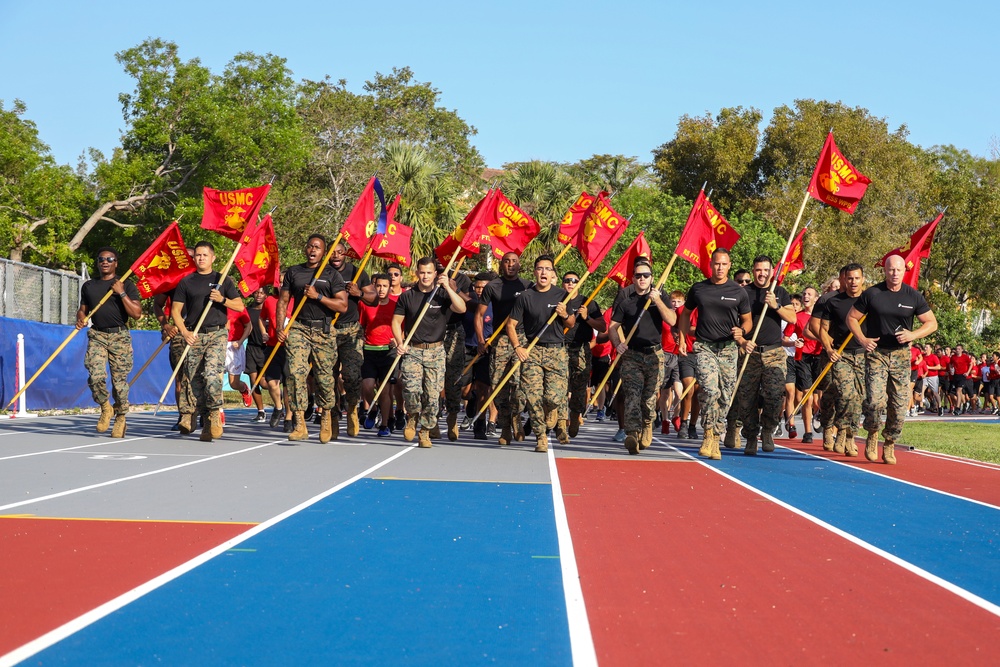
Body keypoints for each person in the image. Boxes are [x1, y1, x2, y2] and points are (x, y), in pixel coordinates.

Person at [847, 254, 938, 464]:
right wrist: (862, 339)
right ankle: (872, 434)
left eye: (898, 270)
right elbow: (851, 317)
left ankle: (889, 443)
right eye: (890, 270)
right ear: (885, 271)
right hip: (876, 353)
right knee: (874, 400)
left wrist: (912, 335)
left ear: (904, 271)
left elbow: (931, 323)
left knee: (898, 405)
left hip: (900, 355)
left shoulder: (913, 296)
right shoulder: (872, 294)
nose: (894, 274)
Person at [679, 248, 752, 460]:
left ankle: (716, 436)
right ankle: (708, 433)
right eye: (716, 264)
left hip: (728, 349)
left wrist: (743, 331)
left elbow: (747, 320)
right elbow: (685, 314)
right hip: (704, 347)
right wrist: (683, 338)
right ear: (710, 265)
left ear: (729, 266)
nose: (720, 268)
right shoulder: (699, 289)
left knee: (725, 395)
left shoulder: (739, 292)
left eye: (724, 264)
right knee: (710, 390)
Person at [276, 235, 348, 443]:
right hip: (298, 328)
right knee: (295, 374)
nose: (313, 250)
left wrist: (318, 296)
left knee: (324, 378)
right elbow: (283, 301)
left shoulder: (331, 275)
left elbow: (342, 306)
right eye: (310, 246)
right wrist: (281, 327)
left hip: (323, 330)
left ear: (324, 252)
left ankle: (326, 415)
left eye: (317, 247)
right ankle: (299, 423)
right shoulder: (294, 272)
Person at [171, 241, 245, 442]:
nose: (201, 258)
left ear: (213, 258)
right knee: (194, 381)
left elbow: (239, 306)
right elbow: (175, 311)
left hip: (217, 334)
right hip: (195, 334)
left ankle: (214, 414)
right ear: (194, 258)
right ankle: (200, 419)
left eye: (205, 255)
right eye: (198, 255)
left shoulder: (223, 280)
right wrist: (185, 332)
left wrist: (222, 299)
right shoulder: (186, 282)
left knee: (212, 377)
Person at [392, 256, 467, 448]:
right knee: (411, 390)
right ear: (417, 273)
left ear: (435, 274)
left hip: (435, 351)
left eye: (429, 273)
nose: (425, 276)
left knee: (433, 397)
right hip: (413, 350)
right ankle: (413, 416)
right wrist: (400, 343)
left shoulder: (441, 295)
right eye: (422, 272)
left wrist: (448, 287)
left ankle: (425, 432)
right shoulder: (407, 296)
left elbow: (462, 308)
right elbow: (396, 321)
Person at [726, 255, 796, 455]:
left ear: (772, 271)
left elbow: (793, 318)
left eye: (766, 270)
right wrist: (740, 339)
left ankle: (767, 431)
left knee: (775, 396)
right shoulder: (743, 293)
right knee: (747, 399)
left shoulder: (779, 292)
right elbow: (733, 320)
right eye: (758, 270)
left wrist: (776, 305)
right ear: (753, 271)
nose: (762, 273)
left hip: (773, 352)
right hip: (749, 353)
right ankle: (750, 436)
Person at [508, 255, 577, 452]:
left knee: (554, 397)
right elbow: (511, 325)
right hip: (533, 351)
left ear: (553, 273)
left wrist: (564, 314)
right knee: (532, 397)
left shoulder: (562, 295)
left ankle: (553, 410)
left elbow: (571, 324)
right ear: (535, 272)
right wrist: (517, 347)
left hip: (556, 351)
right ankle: (541, 437)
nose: (543, 272)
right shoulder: (525, 297)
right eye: (540, 269)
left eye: (547, 269)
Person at [610, 258, 676, 455]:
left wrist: (657, 300)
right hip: (632, 355)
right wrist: (617, 343)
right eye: (638, 276)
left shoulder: (659, 298)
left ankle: (647, 423)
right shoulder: (626, 302)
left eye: (645, 276)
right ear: (633, 278)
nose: (642, 279)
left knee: (648, 399)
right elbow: (613, 326)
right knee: (632, 395)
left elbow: (672, 320)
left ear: (651, 278)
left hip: (654, 354)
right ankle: (632, 433)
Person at [76, 247, 142, 437]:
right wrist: (81, 317)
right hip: (97, 334)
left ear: (116, 263)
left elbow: (137, 314)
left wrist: (121, 293)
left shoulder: (125, 284)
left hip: (119, 336)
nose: (105, 262)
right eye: (101, 259)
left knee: (119, 383)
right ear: (97, 262)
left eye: (109, 259)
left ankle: (121, 416)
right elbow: (83, 309)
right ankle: (106, 407)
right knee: (95, 375)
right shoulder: (89, 286)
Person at [477, 252, 532, 446]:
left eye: (514, 262)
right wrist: (480, 340)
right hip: (500, 340)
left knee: (519, 384)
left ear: (519, 265)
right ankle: (505, 426)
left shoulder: (527, 286)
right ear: (502, 265)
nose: (510, 265)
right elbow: (479, 315)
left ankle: (516, 418)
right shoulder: (493, 286)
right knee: (498, 384)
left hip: (522, 338)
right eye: (507, 261)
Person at [815, 263, 866, 456]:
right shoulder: (832, 301)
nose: (853, 282)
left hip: (862, 355)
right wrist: (828, 349)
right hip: (840, 354)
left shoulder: (869, 300)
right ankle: (834, 428)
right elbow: (822, 329)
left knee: (858, 398)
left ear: (863, 279)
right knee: (843, 394)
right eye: (849, 278)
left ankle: (850, 435)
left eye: (856, 278)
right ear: (844, 279)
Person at [330, 242, 376, 436]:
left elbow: (373, 298)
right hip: (327, 330)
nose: (336, 256)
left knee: (352, 376)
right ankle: (331, 416)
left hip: (351, 331)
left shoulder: (357, 272)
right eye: (332, 253)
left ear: (346, 255)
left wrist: (360, 293)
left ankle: (351, 410)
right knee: (327, 377)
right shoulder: (321, 273)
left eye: (340, 252)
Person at [562, 270, 605, 437]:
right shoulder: (557, 299)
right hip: (560, 347)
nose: (571, 283)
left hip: (581, 348)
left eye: (574, 280)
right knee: (559, 386)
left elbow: (602, 327)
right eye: (567, 280)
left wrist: (587, 318)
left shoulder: (588, 302)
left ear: (579, 283)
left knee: (579, 387)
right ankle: (560, 420)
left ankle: (574, 415)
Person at [244, 287, 270, 422]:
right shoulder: (247, 311)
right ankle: (261, 411)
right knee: (254, 382)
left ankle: (280, 404)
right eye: (256, 292)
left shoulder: (269, 310)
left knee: (265, 383)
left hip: (265, 350)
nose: (258, 295)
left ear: (266, 295)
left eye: (262, 293)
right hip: (251, 348)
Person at [226, 303, 253, 409]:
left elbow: (249, 326)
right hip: (218, 344)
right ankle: (218, 413)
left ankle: (243, 388)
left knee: (233, 383)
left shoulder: (237, 306)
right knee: (216, 381)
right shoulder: (214, 305)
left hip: (234, 346)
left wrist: (241, 341)